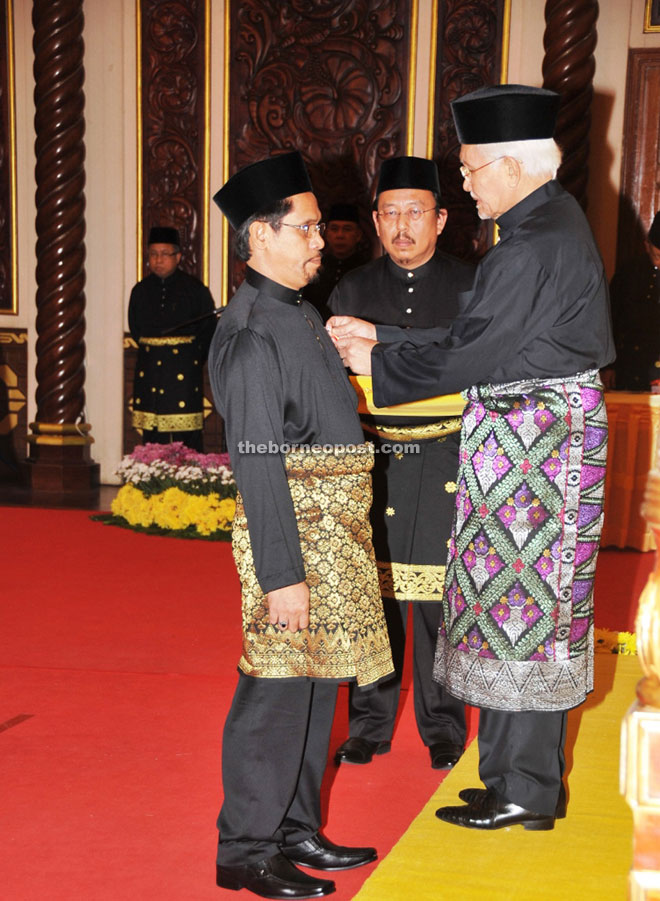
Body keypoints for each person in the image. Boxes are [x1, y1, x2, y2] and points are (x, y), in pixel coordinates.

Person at [329, 84, 615, 831]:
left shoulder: (536, 244)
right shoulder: (542, 226)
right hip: (529, 446)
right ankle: (515, 781)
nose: (464, 180)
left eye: (471, 167)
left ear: (511, 167)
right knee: (513, 615)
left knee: (528, 615)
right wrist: (384, 343)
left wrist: (378, 352)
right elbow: (484, 342)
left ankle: (524, 789)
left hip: (537, 454)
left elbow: (472, 352)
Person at [209, 151, 393, 899]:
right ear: (259, 237)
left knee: (321, 686)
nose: (322, 241)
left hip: (333, 529)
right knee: (276, 690)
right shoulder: (252, 330)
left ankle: (293, 826)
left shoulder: (299, 309)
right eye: (307, 229)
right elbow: (257, 462)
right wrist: (282, 575)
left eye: (319, 228)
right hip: (292, 536)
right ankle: (246, 847)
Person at [329, 156, 474, 771]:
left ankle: (443, 724)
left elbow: (473, 357)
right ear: (375, 221)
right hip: (378, 457)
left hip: (448, 452)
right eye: (390, 214)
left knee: (442, 602)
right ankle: (369, 721)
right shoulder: (351, 289)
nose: (402, 226)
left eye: (416, 212)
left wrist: (381, 341)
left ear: (440, 219)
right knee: (375, 598)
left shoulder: (474, 285)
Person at [128, 226, 216, 452]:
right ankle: (152, 482)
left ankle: (190, 482)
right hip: (150, 371)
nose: (158, 260)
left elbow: (207, 331)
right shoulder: (140, 290)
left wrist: (190, 358)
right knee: (152, 435)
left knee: (187, 437)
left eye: (164, 254)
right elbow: (136, 329)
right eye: (153, 254)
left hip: (183, 373)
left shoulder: (195, 290)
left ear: (177, 256)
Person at [605, 211, 660, 390]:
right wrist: (608, 366)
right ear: (647, 245)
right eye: (658, 256)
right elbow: (609, 320)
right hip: (629, 367)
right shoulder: (628, 274)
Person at [303, 203, 370, 320]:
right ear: (326, 234)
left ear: (358, 235)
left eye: (347, 229)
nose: (340, 235)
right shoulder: (312, 267)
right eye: (334, 229)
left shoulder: (369, 270)